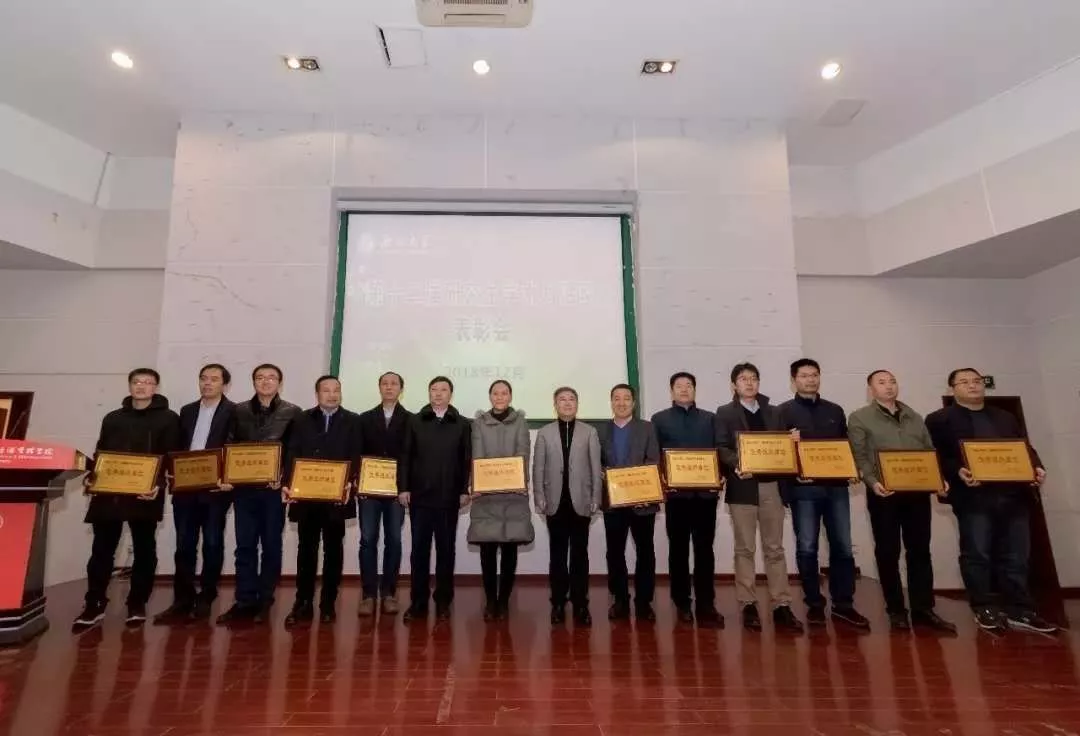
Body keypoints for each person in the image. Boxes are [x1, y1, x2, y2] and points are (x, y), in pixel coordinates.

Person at [925, 368, 1056, 633]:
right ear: (952, 389)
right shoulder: (940, 419)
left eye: (977, 381)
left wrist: (1036, 466)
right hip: (974, 497)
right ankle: (983, 607)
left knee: (1017, 555)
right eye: (964, 382)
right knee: (978, 554)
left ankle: (1020, 609)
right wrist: (957, 471)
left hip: (1013, 495)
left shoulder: (1004, 417)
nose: (972, 385)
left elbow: (1024, 447)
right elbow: (935, 456)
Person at [73, 368, 181, 633]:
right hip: (109, 494)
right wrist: (93, 478)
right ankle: (94, 603)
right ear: (129, 385)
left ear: (155, 387)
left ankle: (137, 603)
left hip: (145, 493)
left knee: (144, 549)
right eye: (136, 382)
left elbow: (171, 457)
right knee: (101, 550)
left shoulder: (169, 419)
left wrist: (158, 485)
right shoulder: (113, 418)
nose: (141, 386)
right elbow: (101, 452)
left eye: (147, 382)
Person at [848, 370, 956, 633]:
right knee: (888, 552)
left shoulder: (914, 416)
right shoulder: (860, 417)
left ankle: (923, 609)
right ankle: (896, 610)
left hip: (917, 493)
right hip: (884, 494)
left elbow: (929, 451)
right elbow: (859, 455)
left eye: (892, 381)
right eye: (882, 382)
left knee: (920, 551)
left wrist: (938, 478)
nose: (889, 386)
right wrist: (872, 481)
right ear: (871, 390)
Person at [778, 359, 869, 629]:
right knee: (807, 548)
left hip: (836, 489)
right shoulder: (782, 412)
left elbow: (845, 446)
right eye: (804, 375)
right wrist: (787, 443)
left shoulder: (835, 410)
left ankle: (844, 604)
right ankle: (814, 604)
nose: (810, 380)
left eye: (815, 375)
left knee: (843, 546)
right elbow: (776, 453)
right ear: (794, 380)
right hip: (803, 490)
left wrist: (852, 468)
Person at [715, 363, 803, 633]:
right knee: (745, 549)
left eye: (753, 378)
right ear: (734, 385)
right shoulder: (724, 412)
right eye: (743, 379)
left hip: (771, 487)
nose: (749, 383)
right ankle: (748, 603)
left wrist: (792, 442)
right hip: (742, 487)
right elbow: (721, 447)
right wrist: (738, 463)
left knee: (774, 548)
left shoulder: (775, 412)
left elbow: (781, 448)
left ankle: (781, 604)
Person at [217, 363, 301, 625]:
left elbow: (295, 451)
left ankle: (265, 599)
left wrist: (285, 480)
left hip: (273, 492)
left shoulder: (292, 412)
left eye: (271, 377)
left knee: (272, 546)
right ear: (253, 382)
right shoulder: (238, 410)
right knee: (245, 546)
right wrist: (226, 475)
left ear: (280, 383)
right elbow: (229, 444)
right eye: (260, 377)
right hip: (244, 490)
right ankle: (244, 600)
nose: (266, 382)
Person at [154, 363, 236, 624]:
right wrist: (170, 470)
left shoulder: (235, 412)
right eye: (203, 378)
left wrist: (229, 478)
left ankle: (207, 596)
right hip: (186, 489)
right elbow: (177, 446)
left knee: (212, 543)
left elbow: (236, 449)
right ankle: (182, 599)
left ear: (225, 385)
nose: (207, 383)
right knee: (184, 545)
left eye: (214, 379)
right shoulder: (187, 411)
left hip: (215, 490)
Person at [282, 375, 360, 626]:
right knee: (306, 550)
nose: (332, 394)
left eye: (336, 390)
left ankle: (328, 603)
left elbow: (357, 456)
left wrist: (351, 481)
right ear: (317, 394)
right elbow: (292, 452)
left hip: (337, 497)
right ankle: (302, 602)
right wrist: (288, 482)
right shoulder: (302, 419)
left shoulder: (353, 421)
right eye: (326, 390)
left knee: (333, 551)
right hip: (306, 497)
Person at [651, 372, 724, 627]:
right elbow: (655, 456)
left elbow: (719, 450)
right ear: (671, 391)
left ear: (695, 389)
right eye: (679, 386)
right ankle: (682, 602)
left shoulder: (710, 418)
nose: (684, 389)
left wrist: (721, 475)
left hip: (705, 496)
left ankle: (706, 604)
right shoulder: (659, 419)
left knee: (705, 550)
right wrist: (661, 478)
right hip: (677, 497)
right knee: (678, 550)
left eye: (689, 385)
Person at [399, 376, 472, 621]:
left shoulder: (462, 424)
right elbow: (405, 456)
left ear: (451, 394)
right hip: (420, 497)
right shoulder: (414, 421)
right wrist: (404, 487)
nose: (438, 393)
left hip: (448, 497)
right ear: (428, 393)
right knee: (419, 552)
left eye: (443, 390)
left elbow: (465, 460)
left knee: (446, 551)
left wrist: (464, 490)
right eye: (434, 389)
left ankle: (443, 601)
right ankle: (418, 602)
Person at [534, 386, 602, 626]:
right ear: (555, 405)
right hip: (555, 502)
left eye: (571, 399)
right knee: (558, 555)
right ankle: (558, 603)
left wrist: (596, 497)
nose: (567, 403)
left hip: (581, 501)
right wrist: (539, 496)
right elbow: (538, 467)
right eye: (562, 400)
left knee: (580, 556)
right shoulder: (544, 432)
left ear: (577, 404)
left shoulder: (589, 432)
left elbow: (596, 468)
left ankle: (581, 603)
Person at [468, 380, 534, 621]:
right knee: (487, 551)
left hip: (513, 495)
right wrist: (478, 482)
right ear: (490, 396)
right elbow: (477, 454)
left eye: (504, 393)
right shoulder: (479, 422)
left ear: (510, 396)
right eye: (495, 393)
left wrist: (519, 480)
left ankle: (504, 602)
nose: (499, 397)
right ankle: (490, 602)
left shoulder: (520, 421)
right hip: (485, 495)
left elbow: (523, 453)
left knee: (509, 550)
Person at [597, 383, 660, 622]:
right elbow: (597, 461)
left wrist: (644, 490)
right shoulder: (601, 431)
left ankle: (644, 601)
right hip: (613, 502)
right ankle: (620, 599)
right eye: (617, 398)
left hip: (642, 503)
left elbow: (653, 460)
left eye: (626, 398)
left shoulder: (647, 428)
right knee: (615, 552)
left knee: (645, 552)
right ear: (611, 402)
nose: (621, 402)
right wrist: (601, 472)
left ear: (633, 403)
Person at [356, 371, 410, 617]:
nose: (389, 387)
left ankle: (389, 593)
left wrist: (407, 486)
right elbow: (356, 452)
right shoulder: (365, 418)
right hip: (369, 491)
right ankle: (368, 594)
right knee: (368, 539)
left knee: (394, 540)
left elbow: (411, 457)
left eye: (394, 384)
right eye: (385, 383)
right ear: (379, 388)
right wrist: (358, 482)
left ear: (401, 389)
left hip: (396, 491)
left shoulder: (411, 420)